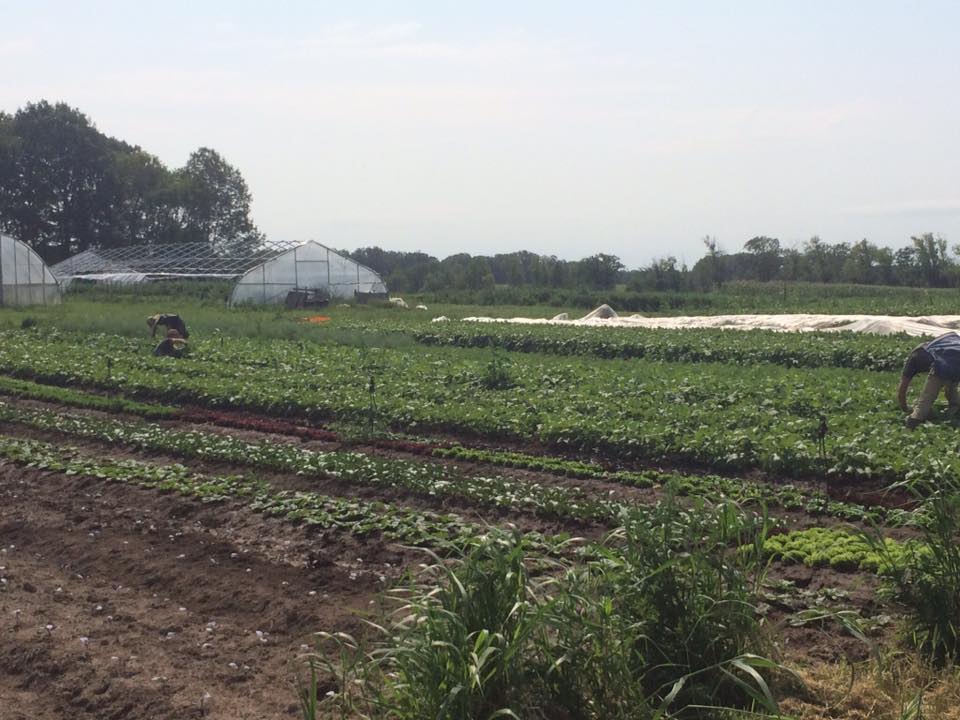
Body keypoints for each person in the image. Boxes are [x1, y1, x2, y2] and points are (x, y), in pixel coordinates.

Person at [898, 332, 960, 427]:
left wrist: (905, 408)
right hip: (956, 358)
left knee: (928, 396)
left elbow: (902, 387)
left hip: (945, 364)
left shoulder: (912, 361)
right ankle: (954, 410)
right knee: (951, 384)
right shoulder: (939, 346)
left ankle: (914, 420)